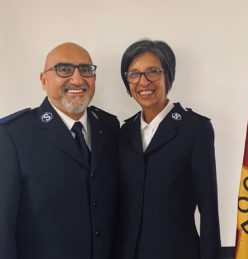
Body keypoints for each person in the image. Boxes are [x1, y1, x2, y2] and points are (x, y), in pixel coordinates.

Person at [0, 42, 119, 259]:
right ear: (44, 81)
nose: (77, 79)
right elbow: (3, 226)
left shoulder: (110, 127)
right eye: (64, 69)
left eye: (85, 70)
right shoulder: (13, 135)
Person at [117, 39, 221, 259]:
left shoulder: (195, 129)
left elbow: (209, 209)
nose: (143, 82)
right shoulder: (123, 133)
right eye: (133, 74)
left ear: (168, 75)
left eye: (152, 72)